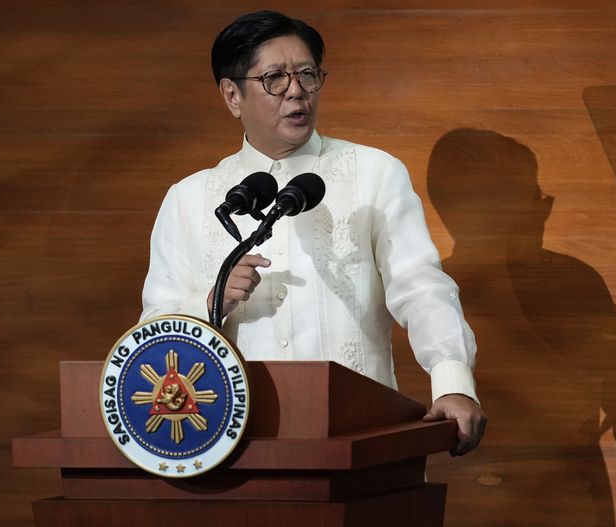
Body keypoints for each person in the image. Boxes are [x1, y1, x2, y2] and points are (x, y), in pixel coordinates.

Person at [140, 10, 486, 455]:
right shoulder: (189, 199)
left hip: (359, 439)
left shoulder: (373, 174)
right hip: (230, 444)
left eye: (307, 74)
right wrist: (211, 303)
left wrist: (453, 381)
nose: (297, 92)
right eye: (275, 79)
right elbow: (151, 335)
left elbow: (420, 287)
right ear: (232, 95)